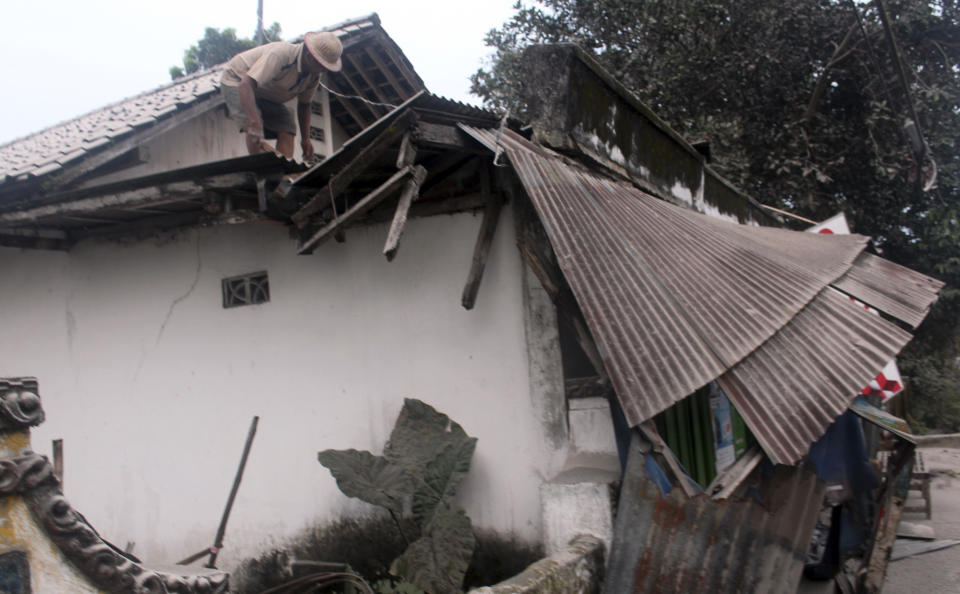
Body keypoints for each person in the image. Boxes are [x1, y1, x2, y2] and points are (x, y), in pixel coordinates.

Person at [220, 31, 343, 160]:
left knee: (287, 124)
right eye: (322, 65)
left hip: (263, 93)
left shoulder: (314, 76)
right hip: (237, 80)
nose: (324, 70)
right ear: (309, 57)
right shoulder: (281, 55)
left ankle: (283, 173)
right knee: (254, 124)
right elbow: (246, 85)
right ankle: (259, 169)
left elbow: (304, 105)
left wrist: (305, 140)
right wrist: (254, 121)